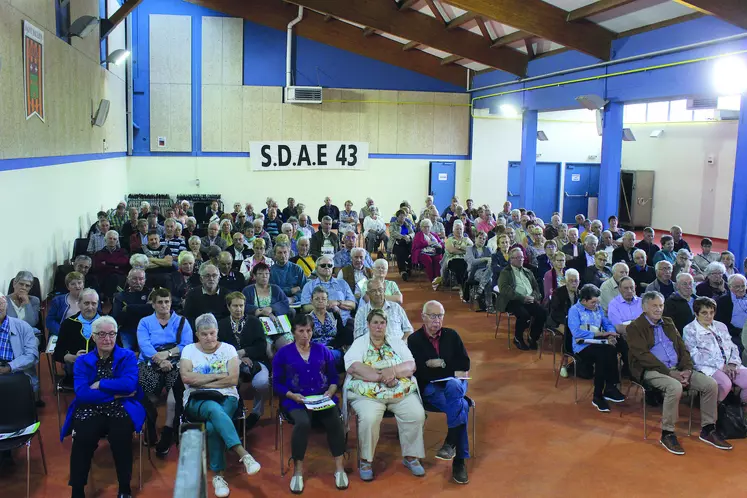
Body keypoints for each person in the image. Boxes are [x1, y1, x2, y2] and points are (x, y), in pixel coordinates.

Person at [627, 291, 730, 454]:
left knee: (710, 384)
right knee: (674, 387)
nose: (659, 309)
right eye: (654, 306)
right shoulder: (635, 327)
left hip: (679, 369)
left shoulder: (668, 322)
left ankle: (708, 429)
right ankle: (667, 433)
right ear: (644, 307)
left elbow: (683, 348)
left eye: (661, 305)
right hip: (652, 370)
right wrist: (670, 373)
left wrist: (688, 369)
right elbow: (642, 356)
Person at [60, 316, 144, 498]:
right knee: (83, 437)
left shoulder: (128, 356)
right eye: (102, 334)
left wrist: (100, 384)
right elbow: (82, 393)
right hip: (90, 408)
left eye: (111, 334)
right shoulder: (82, 361)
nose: (107, 339)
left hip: (121, 407)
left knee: (121, 438)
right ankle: (77, 489)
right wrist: (114, 393)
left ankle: (124, 488)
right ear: (93, 337)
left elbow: (130, 385)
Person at [180, 313, 261, 497]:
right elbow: (186, 378)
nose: (209, 338)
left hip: (227, 397)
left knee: (212, 425)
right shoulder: (189, 350)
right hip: (195, 399)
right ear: (197, 334)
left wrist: (201, 380)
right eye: (204, 334)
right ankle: (243, 454)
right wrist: (218, 376)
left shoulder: (228, 349)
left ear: (217, 331)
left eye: (212, 333)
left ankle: (218, 476)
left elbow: (233, 379)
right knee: (212, 408)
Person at [345, 309, 426, 481]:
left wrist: (393, 372)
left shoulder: (396, 342)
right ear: (368, 325)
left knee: (416, 414)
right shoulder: (360, 343)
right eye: (375, 322)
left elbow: (411, 365)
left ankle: (411, 456)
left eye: (382, 323)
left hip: (398, 391)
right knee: (368, 418)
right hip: (368, 394)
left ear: (386, 325)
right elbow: (353, 367)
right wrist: (382, 376)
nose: (379, 326)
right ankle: (365, 460)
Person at [271, 314, 348, 493]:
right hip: (294, 400)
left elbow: (334, 378)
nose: (306, 335)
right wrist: (291, 395)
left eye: (309, 331)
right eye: (301, 331)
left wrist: (331, 390)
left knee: (335, 420)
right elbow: (276, 383)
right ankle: (297, 471)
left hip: (322, 398)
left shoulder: (323, 350)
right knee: (303, 422)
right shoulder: (283, 353)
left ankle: (339, 468)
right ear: (293, 332)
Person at [407, 301, 471, 484]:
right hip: (431, 387)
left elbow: (465, 365)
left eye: (440, 316)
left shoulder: (452, 335)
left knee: (452, 385)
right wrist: (448, 369)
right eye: (433, 316)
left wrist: (441, 364)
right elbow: (420, 372)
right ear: (423, 316)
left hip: (456, 384)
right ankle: (459, 460)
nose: (437, 320)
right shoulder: (414, 340)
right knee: (462, 406)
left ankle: (451, 442)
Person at [136, 288, 193, 455]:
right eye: (160, 302)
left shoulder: (181, 321)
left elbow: (187, 345)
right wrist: (159, 360)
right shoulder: (145, 322)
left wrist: (168, 355)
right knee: (143, 391)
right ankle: (150, 425)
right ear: (153, 304)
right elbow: (144, 345)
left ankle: (169, 429)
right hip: (149, 362)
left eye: (166, 301)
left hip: (174, 363)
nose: (164, 305)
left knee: (176, 392)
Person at [567, 284, 625, 412]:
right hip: (582, 345)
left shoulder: (597, 308)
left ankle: (610, 387)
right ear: (583, 301)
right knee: (603, 355)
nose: (596, 305)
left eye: (597, 302)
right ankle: (599, 394)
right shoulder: (574, 310)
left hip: (598, 342)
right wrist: (600, 334)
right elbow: (576, 332)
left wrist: (610, 333)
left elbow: (607, 323)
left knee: (615, 347)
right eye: (593, 302)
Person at [217, 292, 269, 431]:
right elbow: (219, 348)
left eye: (241, 305)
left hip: (256, 361)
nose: (238, 309)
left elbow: (262, 346)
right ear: (228, 307)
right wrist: (237, 357)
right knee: (232, 381)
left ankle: (257, 412)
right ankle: (236, 412)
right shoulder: (221, 325)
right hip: (230, 364)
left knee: (262, 383)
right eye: (235, 306)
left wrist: (245, 352)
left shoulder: (254, 322)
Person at [684, 297, 747, 405]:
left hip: (729, 365)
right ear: (696, 313)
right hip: (706, 367)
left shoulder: (721, 326)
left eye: (711, 312)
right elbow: (695, 356)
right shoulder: (689, 329)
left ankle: (738, 410)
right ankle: (713, 409)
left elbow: (732, 346)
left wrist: (732, 363)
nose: (709, 316)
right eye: (704, 313)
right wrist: (722, 366)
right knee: (725, 384)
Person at [497, 248, 547, 351]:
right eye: (517, 258)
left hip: (530, 299)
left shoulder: (528, 271)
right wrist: (522, 298)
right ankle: (518, 338)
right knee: (524, 315)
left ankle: (533, 337)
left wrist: (534, 297)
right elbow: (505, 290)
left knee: (542, 312)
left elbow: (536, 288)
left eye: (522, 257)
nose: (521, 260)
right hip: (513, 300)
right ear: (511, 259)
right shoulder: (505, 272)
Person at [300, 256, 357, 340]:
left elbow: (353, 304)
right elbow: (305, 307)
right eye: (323, 265)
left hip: (344, 322)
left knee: (349, 332)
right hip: (317, 323)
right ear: (316, 268)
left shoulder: (342, 283)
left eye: (329, 265)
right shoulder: (309, 285)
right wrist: (325, 306)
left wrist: (338, 303)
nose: (327, 267)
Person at [54, 289, 101, 380]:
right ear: (79, 304)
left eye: (94, 303)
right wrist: (74, 358)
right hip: (76, 367)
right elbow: (57, 354)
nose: (90, 307)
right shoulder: (68, 323)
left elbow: (118, 348)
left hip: (102, 367)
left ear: (98, 304)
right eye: (86, 303)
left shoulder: (107, 322)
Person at [308, 286, 350, 370]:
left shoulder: (334, 315)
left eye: (323, 299)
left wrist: (331, 347)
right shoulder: (307, 319)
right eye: (317, 299)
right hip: (315, 350)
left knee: (332, 355)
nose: (320, 301)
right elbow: (306, 339)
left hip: (333, 349)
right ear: (311, 301)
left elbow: (341, 335)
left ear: (327, 301)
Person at [111, 269, 151, 351]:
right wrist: (143, 308)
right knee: (127, 352)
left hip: (147, 330)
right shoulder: (120, 296)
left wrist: (128, 308)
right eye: (134, 279)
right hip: (127, 330)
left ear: (145, 280)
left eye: (141, 279)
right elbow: (117, 317)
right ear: (128, 279)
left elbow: (151, 309)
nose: (138, 282)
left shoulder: (150, 293)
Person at [183, 264, 230, 328]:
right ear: (201, 279)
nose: (211, 278)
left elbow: (228, 318)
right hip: (199, 330)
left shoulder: (227, 294)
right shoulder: (192, 294)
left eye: (214, 275)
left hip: (221, 329)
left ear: (218, 278)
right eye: (207, 276)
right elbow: (188, 318)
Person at [93, 230, 130, 300]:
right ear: (105, 240)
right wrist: (116, 266)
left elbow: (124, 263)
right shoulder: (99, 253)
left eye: (114, 239)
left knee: (115, 278)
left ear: (117, 241)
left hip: (120, 277)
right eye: (110, 238)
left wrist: (106, 263)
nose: (112, 240)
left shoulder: (123, 252)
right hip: (104, 277)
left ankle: (114, 299)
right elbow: (98, 266)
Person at [714, 274, 747, 352]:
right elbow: (720, 323)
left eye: (743, 286)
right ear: (729, 286)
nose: (741, 289)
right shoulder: (723, 301)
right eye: (737, 286)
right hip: (734, 334)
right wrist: (738, 332)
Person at [47, 272, 86, 337]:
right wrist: (63, 332)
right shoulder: (58, 300)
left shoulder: (91, 299)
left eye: (79, 283)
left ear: (83, 284)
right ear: (68, 287)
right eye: (73, 284)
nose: (77, 286)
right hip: (62, 334)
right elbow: (50, 321)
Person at [441, 220, 473, 292]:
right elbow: (451, 250)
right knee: (460, 264)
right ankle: (463, 286)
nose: (459, 231)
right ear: (453, 230)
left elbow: (472, 250)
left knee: (465, 264)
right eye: (457, 229)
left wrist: (458, 247)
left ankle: (462, 286)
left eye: (460, 229)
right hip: (453, 260)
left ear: (463, 230)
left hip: (466, 260)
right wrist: (464, 250)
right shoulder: (449, 240)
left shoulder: (467, 239)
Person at [412, 218, 445, 289]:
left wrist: (439, 245)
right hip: (422, 252)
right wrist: (427, 243)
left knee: (438, 259)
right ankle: (432, 279)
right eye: (425, 227)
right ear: (421, 228)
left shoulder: (434, 235)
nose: (427, 228)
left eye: (428, 227)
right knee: (428, 260)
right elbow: (416, 246)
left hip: (434, 252)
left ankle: (438, 279)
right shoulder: (418, 235)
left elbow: (441, 244)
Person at [388, 209, 414, 280]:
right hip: (395, 244)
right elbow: (393, 233)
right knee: (400, 251)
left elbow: (412, 233)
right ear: (397, 217)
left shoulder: (408, 224)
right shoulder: (392, 224)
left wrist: (408, 236)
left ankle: (406, 268)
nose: (402, 218)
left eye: (404, 216)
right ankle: (403, 270)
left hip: (407, 243)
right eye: (401, 216)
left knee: (412, 248)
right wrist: (403, 237)